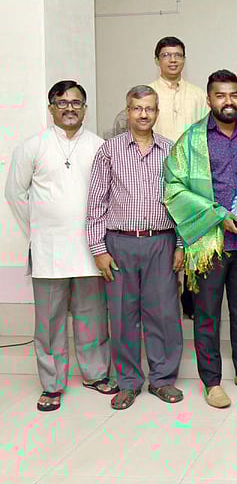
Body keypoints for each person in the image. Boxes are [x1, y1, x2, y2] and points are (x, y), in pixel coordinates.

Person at [163, 70, 237, 409]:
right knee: (207, 315)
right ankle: (211, 381)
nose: (228, 101)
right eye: (220, 96)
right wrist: (217, 215)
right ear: (209, 99)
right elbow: (173, 188)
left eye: (233, 95)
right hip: (208, 244)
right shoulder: (192, 139)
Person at [5, 80, 117, 411]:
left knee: (92, 317)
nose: (70, 108)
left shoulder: (99, 146)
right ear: (51, 107)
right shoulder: (33, 146)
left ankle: (95, 373)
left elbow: (108, 196)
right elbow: (15, 194)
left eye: (76, 103)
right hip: (48, 250)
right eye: (62, 102)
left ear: (85, 108)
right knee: (50, 321)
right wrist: (40, 229)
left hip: (89, 250)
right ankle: (52, 383)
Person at [86, 85, 185, 410]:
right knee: (123, 316)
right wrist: (98, 248)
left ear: (157, 112)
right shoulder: (109, 151)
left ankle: (162, 380)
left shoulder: (171, 151)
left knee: (164, 314)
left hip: (161, 241)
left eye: (150, 109)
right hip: (120, 244)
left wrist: (181, 244)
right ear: (127, 111)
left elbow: (180, 203)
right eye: (137, 108)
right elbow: (96, 204)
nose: (143, 114)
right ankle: (128, 382)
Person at [146, 36, 208, 321]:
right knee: (164, 237)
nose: (173, 60)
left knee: (191, 237)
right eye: (167, 55)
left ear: (184, 59)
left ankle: (191, 299)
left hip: (191, 177)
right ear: (157, 59)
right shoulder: (147, 94)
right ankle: (165, 299)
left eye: (178, 55)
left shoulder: (197, 95)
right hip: (155, 174)